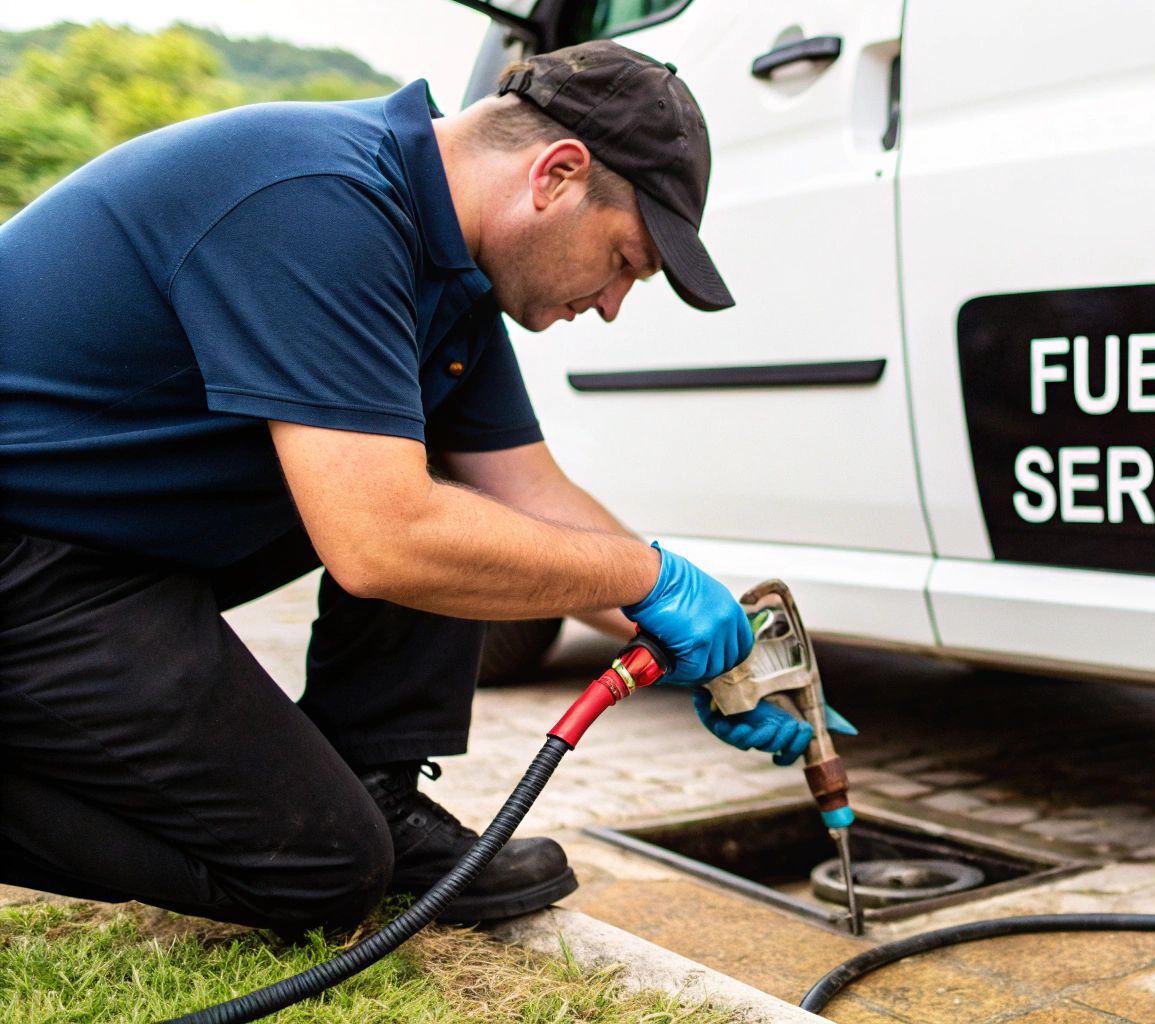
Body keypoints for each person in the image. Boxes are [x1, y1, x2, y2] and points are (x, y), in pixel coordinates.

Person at [0, 39, 827, 930]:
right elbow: (381, 540)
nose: (613, 302)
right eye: (625, 260)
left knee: (433, 476)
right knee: (325, 874)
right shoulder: (319, 203)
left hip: (114, 561)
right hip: (27, 556)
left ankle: (375, 781)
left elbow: (525, 497)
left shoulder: (450, 276)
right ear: (555, 176)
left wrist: (722, 657)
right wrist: (647, 580)